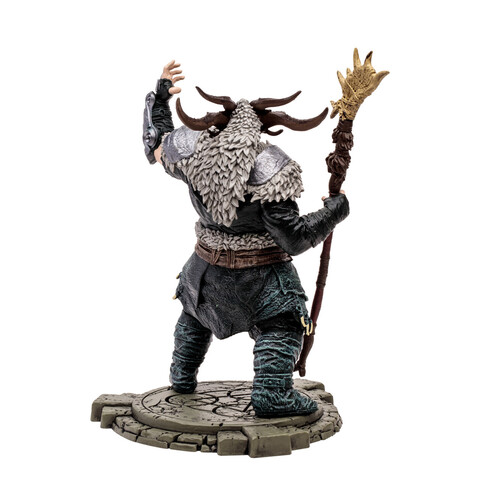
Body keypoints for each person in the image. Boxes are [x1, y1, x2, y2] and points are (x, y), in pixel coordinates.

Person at [142, 60, 349, 417]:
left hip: (202, 273)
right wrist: (335, 210)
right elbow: (295, 238)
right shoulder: (270, 167)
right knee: (284, 321)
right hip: (261, 282)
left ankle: (181, 377)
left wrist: (160, 98)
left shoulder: (194, 153)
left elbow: (156, 144)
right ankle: (272, 394)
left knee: (194, 313)